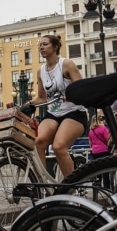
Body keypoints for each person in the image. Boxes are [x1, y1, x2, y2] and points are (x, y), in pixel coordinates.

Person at [24, 35, 86, 179]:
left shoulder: (66, 64)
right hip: (54, 113)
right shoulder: (41, 71)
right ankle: (44, 182)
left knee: (58, 147)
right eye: (40, 45)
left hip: (74, 112)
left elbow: (82, 88)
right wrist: (27, 105)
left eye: (45, 44)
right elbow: (42, 98)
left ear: (55, 47)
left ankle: (71, 187)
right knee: (38, 142)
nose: (41, 47)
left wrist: (71, 95)